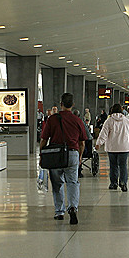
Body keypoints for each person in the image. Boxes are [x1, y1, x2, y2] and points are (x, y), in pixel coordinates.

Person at [40, 93, 88, 224]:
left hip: (55, 154)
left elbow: (44, 139)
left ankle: (59, 212)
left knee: (57, 184)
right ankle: (73, 207)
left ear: (61, 104)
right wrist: (80, 156)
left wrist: (41, 154)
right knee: (73, 182)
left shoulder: (52, 119)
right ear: (72, 105)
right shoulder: (78, 120)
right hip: (72, 153)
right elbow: (82, 142)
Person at [95, 104, 129, 191]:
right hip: (124, 147)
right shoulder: (126, 120)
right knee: (123, 166)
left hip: (112, 148)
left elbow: (103, 133)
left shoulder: (109, 121)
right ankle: (123, 182)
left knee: (113, 165)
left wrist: (98, 143)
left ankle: (113, 183)